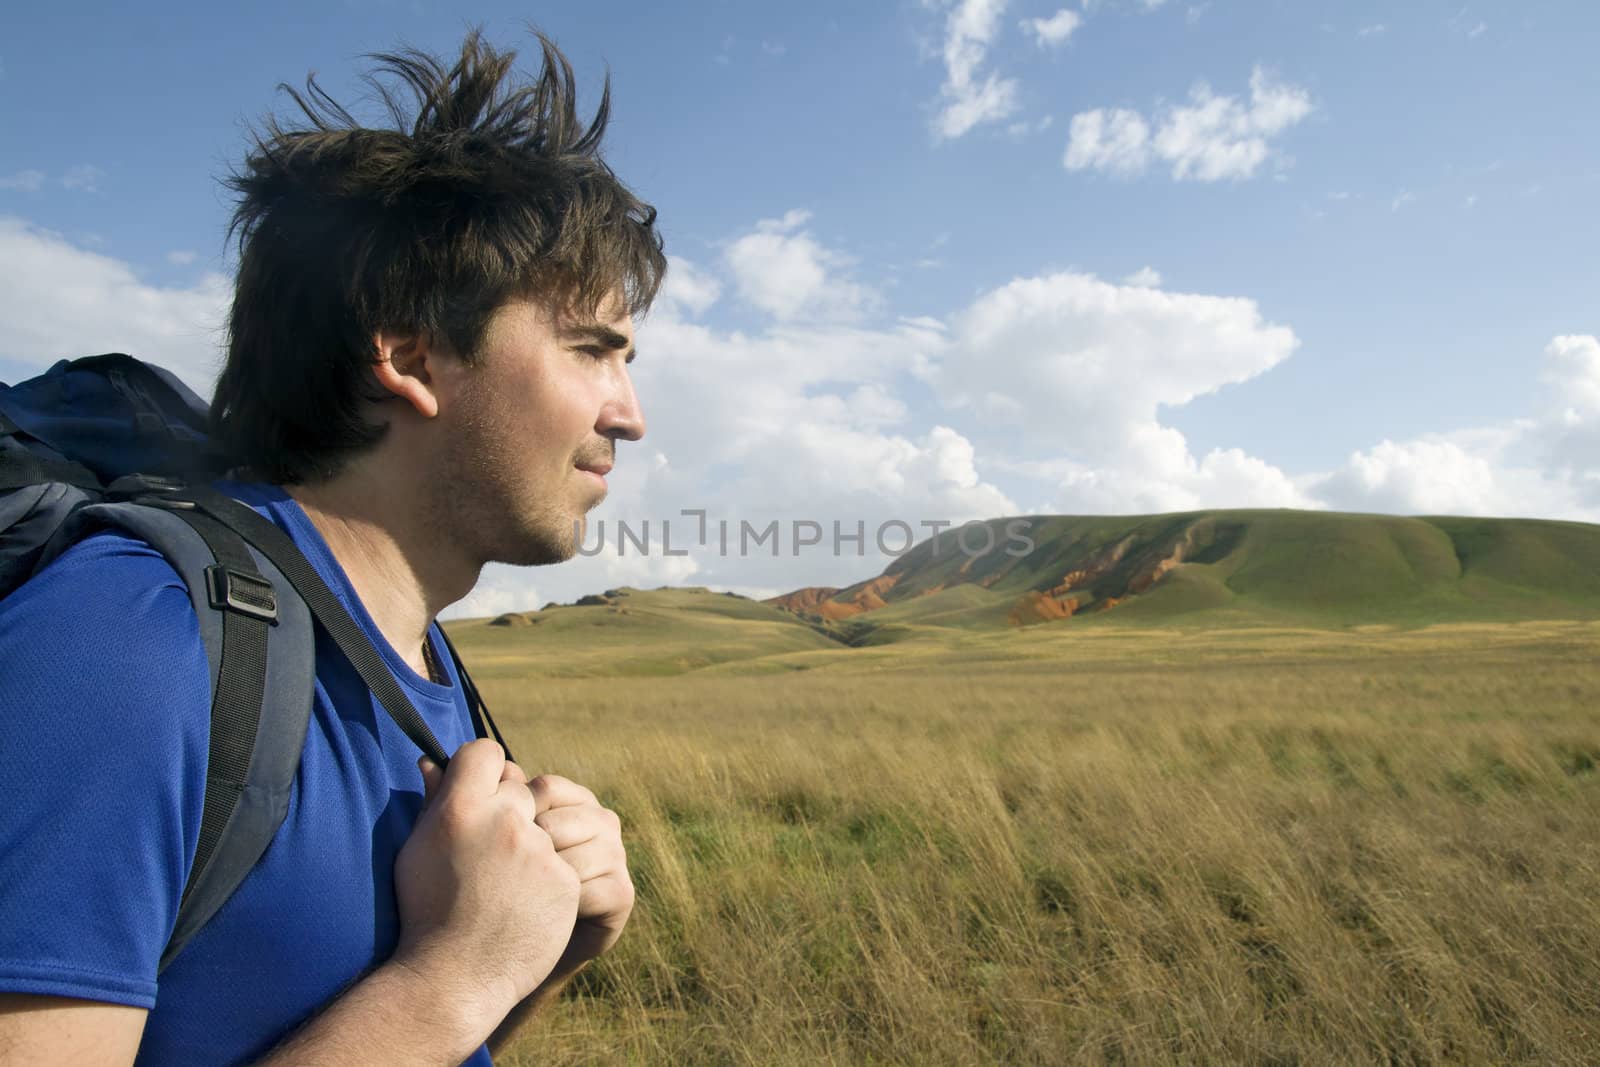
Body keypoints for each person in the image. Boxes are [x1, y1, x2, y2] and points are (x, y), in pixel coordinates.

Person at [0, 28, 665, 1065]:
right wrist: (458, 975)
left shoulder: (420, 662)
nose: (628, 413)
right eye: (591, 349)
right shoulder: (131, 637)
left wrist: (537, 953)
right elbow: (427, 1001)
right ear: (409, 353)